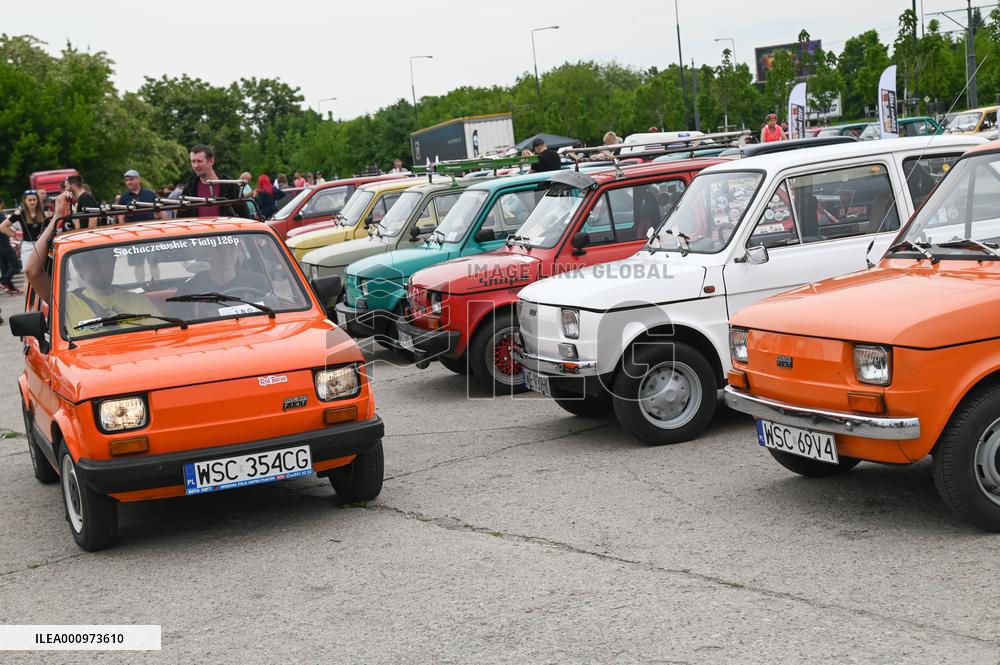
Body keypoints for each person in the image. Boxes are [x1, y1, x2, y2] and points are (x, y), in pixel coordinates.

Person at [176, 144, 251, 219]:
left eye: (199, 161)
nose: (196, 165)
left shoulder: (230, 186)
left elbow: (245, 217)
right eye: (193, 161)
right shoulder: (189, 188)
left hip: (226, 230)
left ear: (211, 161)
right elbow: (181, 219)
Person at [119, 169, 167, 281]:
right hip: (133, 235)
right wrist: (123, 233)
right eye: (126, 180)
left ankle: (157, 284)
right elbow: (120, 217)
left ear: (138, 179)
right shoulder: (124, 198)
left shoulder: (150, 194)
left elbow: (161, 211)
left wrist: (165, 226)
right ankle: (140, 286)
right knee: (138, 264)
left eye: (131, 179)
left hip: (150, 233)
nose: (129, 182)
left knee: (153, 262)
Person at [7, 189, 46, 271]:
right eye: (29, 200)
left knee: (43, 272)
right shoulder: (20, 213)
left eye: (34, 200)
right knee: (28, 272)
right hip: (27, 246)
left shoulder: (42, 213)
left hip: (41, 245)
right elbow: (3, 227)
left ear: (37, 200)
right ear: (25, 201)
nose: (32, 202)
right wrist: (15, 235)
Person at [0, 209, 22, 296]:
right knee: (16, 265)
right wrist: (14, 235)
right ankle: (3, 282)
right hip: (4, 244)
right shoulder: (0, 214)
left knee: (4, 268)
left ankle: (10, 288)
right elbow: (4, 227)